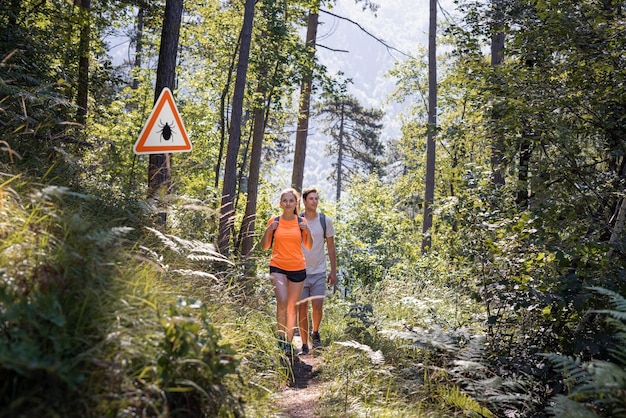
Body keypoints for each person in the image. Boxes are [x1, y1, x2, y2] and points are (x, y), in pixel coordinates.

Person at [261, 188, 313, 355]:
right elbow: (264, 247)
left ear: (296, 203)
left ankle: (287, 344)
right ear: (280, 203)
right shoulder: (274, 221)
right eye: (285, 200)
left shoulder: (301, 222)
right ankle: (280, 339)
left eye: (291, 201)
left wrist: (307, 230)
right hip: (277, 266)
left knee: (292, 307)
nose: (288, 203)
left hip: (298, 268)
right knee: (282, 301)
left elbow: (309, 246)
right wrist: (268, 230)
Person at [297, 187, 337, 355]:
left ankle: (315, 332)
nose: (314, 201)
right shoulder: (297, 221)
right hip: (299, 272)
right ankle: (304, 344)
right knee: (302, 308)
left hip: (319, 271)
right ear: (304, 201)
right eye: (311, 198)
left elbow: (331, 246)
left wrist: (333, 271)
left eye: (316, 198)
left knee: (318, 306)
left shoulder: (324, 221)